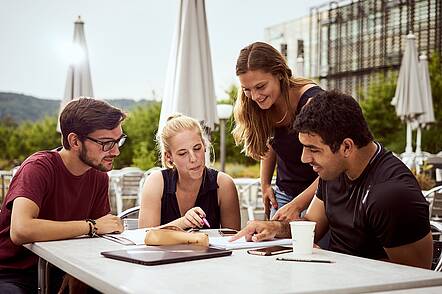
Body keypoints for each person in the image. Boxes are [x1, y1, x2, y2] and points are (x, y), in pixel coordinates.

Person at [232, 90, 433, 269]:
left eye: (313, 149)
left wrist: (333, 263)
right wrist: (273, 228)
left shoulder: (391, 194)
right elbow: (311, 225)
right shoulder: (333, 171)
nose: (304, 158)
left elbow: (414, 274)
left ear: (346, 147)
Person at [0, 98, 126, 293]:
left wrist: (78, 271)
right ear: (74, 141)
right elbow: (21, 230)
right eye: (106, 143)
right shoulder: (39, 168)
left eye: (118, 141)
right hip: (13, 273)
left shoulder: (99, 176)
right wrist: (91, 225)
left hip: (61, 270)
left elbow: (98, 237)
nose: (116, 151)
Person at [232, 41, 323, 220]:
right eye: (247, 89)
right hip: (283, 195)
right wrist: (265, 184)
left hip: (320, 194)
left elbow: (333, 166)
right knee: (272, 246)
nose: (255, 96)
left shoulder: (313, 102)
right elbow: (272, 144)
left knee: (312, 247)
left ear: (280, 74)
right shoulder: (263, 104)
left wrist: (297, 205)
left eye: (260, 87)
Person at [138, 114, 241, 231]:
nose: (193, 158)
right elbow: (143, 238)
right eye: (183, 153)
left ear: (205, 145)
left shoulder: (223, 185)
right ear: (168, 157)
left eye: (197, 148)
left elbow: (232, 241)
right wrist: (183, 223)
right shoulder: (156, 182)